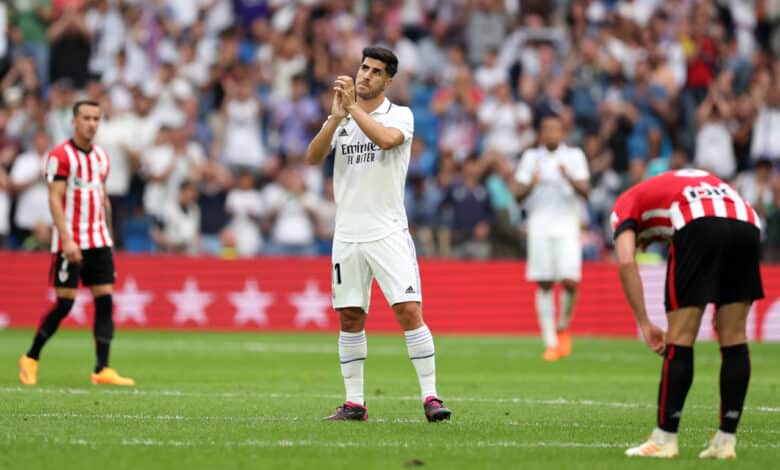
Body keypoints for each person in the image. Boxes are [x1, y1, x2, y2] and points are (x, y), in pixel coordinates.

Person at [305, 47, 450, 422]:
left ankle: (431, 397)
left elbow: (387, 140)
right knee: (350, 316)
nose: (365, 75)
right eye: (363, 67)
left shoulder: (400, 115)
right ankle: (355, 402)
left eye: (375, 71)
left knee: (408, 310)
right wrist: (335, 120)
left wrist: (351, 110)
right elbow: (312, 156)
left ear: (388, 80)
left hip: (387, 231)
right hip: (348, 233)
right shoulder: (342, 117)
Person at [612, 169, 762, 459]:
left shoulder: (624, 203)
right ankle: (726, 439)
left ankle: (664, 439)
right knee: (734, 337)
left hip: (699, 222)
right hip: (747, 222)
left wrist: (644, 322)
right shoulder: (685, 181)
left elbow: (626, 261)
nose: (646, 243)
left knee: (680, 337)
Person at [18, 100, 135, 387]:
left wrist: (107, 235)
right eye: (86, 118)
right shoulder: (61, 156)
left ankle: (102, 368)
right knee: (65, 303)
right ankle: (30, 357)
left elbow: (102, 197)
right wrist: (66, 239)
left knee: (104, 300)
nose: (92, 124)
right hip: (70, 241)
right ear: (74, 122)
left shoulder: (101, 158)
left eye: (96, 118)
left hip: (98, 240)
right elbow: (54, 199)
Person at [511, 115, 590, 361]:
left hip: (567, 223)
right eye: (546, 130)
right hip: (539, 223)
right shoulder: (531, 158)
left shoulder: (574, 156)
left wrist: (568, 176)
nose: (551, 134)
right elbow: (517, 194)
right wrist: (532, 184)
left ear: (563, 132)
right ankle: (550, 341)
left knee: (570, 280)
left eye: (555, 129)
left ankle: (563, 325)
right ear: (541, 134)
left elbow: (586, 191)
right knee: (544, 282)